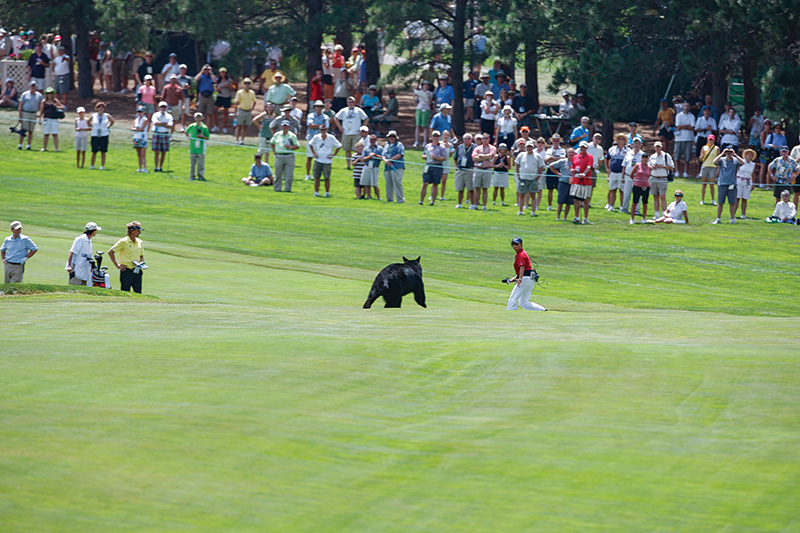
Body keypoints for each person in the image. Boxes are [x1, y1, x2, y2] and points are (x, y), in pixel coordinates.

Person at [506, 237, 547, 311]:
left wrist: (520, 279)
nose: (514, 246)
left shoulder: (521, 254)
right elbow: (524, 269)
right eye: (513, 244)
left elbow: (522, 267)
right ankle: (542, 310)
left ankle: (511, 316)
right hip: (530, 279)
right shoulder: (522, 253)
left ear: (521, 245)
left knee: (512, 299)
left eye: (516, 244)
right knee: (523, 302)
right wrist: (515, 278)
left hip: (525, 279)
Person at [108, 221, 145, 293]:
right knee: (125, 291)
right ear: (132, 231)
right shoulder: (123, 241)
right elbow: (111, 252)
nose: (140, 232)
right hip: (126, 271)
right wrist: (118, 265)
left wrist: (141, 263)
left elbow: (141, 256)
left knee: (138, 292)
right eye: (138, 230)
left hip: (137, 271)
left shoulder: (140, 242)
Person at [334, 97, 369, 169]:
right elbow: (336, 118)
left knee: (357, 149)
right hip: (346, 133)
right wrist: (340, 127)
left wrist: (362, 128)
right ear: (347, 103)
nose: (350, 103)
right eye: (349, 102)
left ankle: (357, 164)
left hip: (356, 133)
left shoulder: (359, 110)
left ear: (355, 102)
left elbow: (366, 119)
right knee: (347, 149)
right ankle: (348, 165)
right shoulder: (343, 110)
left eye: (352, 102)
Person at [309, 124, 341, 197]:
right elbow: (310, 144)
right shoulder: (316, 137)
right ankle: (316, 192)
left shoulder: (331, 138)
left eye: (324, 130)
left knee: (327, 177)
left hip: (327, 161)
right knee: (317, 177)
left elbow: (339, 146)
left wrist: (333, 155)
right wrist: (314, 152)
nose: (323, 131)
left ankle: (327, 192)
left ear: (327, 130)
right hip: (318, 160)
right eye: (321, 130)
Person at [515, 140, 545, 217]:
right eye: (528, 147)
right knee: (522, 195)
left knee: (533, 195)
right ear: (526, 147)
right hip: (523, 178)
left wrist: (538, 176)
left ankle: (533, 212)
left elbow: (541, 167)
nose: (529, 148)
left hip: (533, 179)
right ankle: (520, 210)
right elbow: (517, 165)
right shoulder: (521, 155)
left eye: (531, 147)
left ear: (533, 147)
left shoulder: (537, 156)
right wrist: (518, 175)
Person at [270, 120, 300, 192]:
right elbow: (272, 142)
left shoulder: (292, 135)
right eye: (284, 126)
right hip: (279, 156)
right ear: (281, 126)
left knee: (289, 175)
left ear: (289, 127)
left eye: (286, 126)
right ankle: (277, 188)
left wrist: (290, 147)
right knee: (277, 174)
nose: (285, 127)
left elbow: (297, 146)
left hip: (289, 156)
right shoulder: (277, 134)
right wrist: (274, 150)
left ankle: (287, 189)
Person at [420, 131, 447, 206]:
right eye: (434, 136)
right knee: (425, 183)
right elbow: (423, 155)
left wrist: (436, 158)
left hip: (437, 166)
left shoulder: (442, 147)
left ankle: (433, 201)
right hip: (428, 166)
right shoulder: (427, 146)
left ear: (439, 137)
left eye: (437, 136)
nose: (435, 137)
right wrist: (426, 156)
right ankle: (421, 201)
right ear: (431, 137)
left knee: (435, 184)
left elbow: (444, 158)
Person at [305, 100, 330, 180]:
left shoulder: (325, 117)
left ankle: (315, 175)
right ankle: (307, 174)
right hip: (311, 138)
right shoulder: (310, 115)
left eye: (320, 106)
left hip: (321, 140)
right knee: (309, 157)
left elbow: (326, 128)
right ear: (315, 107)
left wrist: (318, 126)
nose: (319, 108)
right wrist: (320, 126)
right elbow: (310, 125)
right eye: (317, 106)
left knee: (319, 158)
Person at [647, 141, 673, 218]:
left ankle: (664, 214)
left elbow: (671, 166)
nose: (658, 148)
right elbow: (649, 167)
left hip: (663, 178)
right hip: (654, 177)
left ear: (661, 147)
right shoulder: (652, 156)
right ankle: (657, 214)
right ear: (654, 148)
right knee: (655, 196)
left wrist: (663, 166)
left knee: (662, 196)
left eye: (659, 146)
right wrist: (652, 167)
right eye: (656, 147)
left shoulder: (666, 156)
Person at [570, 141, 594, 224]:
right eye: (581, 147)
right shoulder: (575, 157)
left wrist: (584, 173)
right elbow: (573, 166)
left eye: (584, 147)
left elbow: (589, 167)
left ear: (586, 148)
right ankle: (576, 217)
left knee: (586, 200)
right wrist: (572, 170)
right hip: (576, 180)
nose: (582, 148)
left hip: (586, 181)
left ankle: (585, 218)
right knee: (576, 200)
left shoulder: (590, 157)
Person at [604, 133, 629, 212]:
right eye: (619, 139)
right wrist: (607, 169)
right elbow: (607, 158)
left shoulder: (628, 150)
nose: (620, 140)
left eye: (622, 139)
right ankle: (611, 206)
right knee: (612, 189)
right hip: (613, 173)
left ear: (625, 141)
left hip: (622, 173)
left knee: (622, 190)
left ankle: (622, 206)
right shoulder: (612, 149)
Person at [472, 132, 497, 211]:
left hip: (487, 169)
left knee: (485, 189)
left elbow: (491, 156)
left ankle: (484, 206)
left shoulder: (492, 148)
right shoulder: (477, 148)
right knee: (477, 188)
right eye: (483, 138)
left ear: (489, 139)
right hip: (478, 169)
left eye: (486, 138)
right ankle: (475, 205)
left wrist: (481, 156)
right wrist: (485, 157)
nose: (484, 140)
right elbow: (474, 158)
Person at [88, 102, 114, 170]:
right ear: (97, 108)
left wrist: (108, 127)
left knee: (103, 151)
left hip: (104, 135)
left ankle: (102, 166)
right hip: (95, 135)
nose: (101, 109)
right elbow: (88, 121)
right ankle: (92, 165)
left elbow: (112, 121)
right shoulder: (93, 115)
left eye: (102, 107)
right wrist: (92, 127)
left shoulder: (107, 115)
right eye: (99, 107)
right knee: (94, 151)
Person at [17, 80, 42, 150]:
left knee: (31, 130)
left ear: (36, 87)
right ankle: (20, 145)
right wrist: (20, 116)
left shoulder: (39, 95)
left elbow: (41, 106)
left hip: (34, 114)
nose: (33, 87)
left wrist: (40, 114)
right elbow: (20, 106)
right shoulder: (25, 94)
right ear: (29, 86)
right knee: (23, 130)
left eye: (34, 86)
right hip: (25, 113)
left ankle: (28, 145)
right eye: (32, 86)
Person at [673, 102, 696, 177]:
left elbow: (692, 127)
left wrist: (683, 126)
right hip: (679, 139)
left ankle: (685, 172)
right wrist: (687, 126)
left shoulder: (692, 116)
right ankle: (677, 171)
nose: (686, 107)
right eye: (685, 106)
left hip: (689, 138)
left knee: (687, 157)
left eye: (687, 106)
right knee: (677, 156)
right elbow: (678, 126)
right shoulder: (678, 115)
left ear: (689, 107)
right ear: (683, 107)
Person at [453, 133, 476, 209]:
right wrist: (457, 166)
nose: (467, 140)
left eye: (468, 138)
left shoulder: (474, 147)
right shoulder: (460, 147)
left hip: (470, 169)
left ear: (471, 139)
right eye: (465, 138)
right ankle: (459, 204)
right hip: (461, 169)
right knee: (460, 188)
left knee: (471, 188)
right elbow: (455, 158)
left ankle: (472, 204)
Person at [38, 87, 63, 152]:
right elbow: (41, 111)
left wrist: (57, 106)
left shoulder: (55, 100)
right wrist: (39, 119)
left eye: (51, 93)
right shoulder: (43, 101)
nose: (50, 95)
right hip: (46, 118)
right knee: (46, 134)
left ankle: (56, 148)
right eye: (48, 93)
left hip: (54, 119)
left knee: (55, 134)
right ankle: (44, 147)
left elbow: (62, 107)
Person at [186, 112, 209, 181]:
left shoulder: (204, 127)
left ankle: (200, 176)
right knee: (192, 163)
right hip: (193, 148)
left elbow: (207, 138)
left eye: (199, 117)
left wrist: (203, 136)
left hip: (201, 148)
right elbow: (186, 131)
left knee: (200, 163)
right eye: (197, 117)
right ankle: (192, 176)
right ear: (194, 118)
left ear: (202, 118)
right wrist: (189, 138)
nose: (198, 119)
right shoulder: (192, 126)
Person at [383, 130, 405, 203]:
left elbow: (399, 154)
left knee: (397, 183)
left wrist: (390, 160)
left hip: (397, 167)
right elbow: (383, 155)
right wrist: (386, 161)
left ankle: (400, 199)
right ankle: (389, 199)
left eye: (393, 136)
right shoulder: (386, 145)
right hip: (387, 167)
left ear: (396, 137)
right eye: (390, 136)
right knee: (388, 184)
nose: (391, 138)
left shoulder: (399, 145)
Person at [233, 77, 256, 145]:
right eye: (245, 83)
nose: (247, 85)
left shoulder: (252, 92)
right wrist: (235, 112)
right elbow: (236, 103)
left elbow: (254, 101)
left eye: (248, 83)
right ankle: (237, 140)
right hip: (241, 110)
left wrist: (252, 107)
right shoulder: (239, 92)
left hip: (248, 111)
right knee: (239, 126)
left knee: (245, 126)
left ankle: (242, 140)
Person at [629, 152, 651, 224]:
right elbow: (631, 174)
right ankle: (632, 218)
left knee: (645, 203)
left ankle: (644, 218)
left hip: (646, 186)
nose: (644, 158)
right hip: (637, 186)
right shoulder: (637, 165)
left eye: (646, 157)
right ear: (641, 158)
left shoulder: (649, 167)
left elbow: (649, 176)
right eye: (643, 157)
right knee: (635, 202)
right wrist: (635, 180)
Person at [151, 101, 173, 172]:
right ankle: (156, 167)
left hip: (165, 134)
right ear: (159, 108)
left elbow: (170, 126)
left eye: (164, 107)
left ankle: (160, 167)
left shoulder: (169, 116)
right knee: (156, 152)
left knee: (163, 152)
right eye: (161, 107)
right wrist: (164, 123)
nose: (163, 108)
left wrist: (161, 124)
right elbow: (155, 123)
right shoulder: (155, 114)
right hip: (157, 133)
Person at [554, 147, 575, 221]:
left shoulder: (576, 162)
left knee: (569, 202)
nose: (571, 154)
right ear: (567, 154)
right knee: (560, 201)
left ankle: (565, 217)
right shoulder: (562, 161)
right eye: (569, 153)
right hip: (563, 183)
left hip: (572, 184)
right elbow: (551, 166)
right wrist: (557, 173)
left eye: (572, 153)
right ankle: (558, 217)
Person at [698, 134, 719, 205]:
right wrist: (702, 156)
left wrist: (718, 168)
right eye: (709, 139)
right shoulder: (704, 147)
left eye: (712, 139)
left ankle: (713, 200)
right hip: (705, 166)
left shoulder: (716, 148)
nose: (710, 141)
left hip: (713, 167)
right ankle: (702, 199)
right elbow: (700, 158)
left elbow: (718, 159)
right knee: (704, 184)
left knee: (711, 184)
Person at [360, 133, 382, 200]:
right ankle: (369, 196)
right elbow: (363, 159)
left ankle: (378, 197)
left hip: (375, 167)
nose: (372, 141)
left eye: (374, 139)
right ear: (369, 140)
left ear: (376, 140)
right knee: (366, 183)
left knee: (374, 184)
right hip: (367, 166)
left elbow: (382, 158)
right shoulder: (366, 149)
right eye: (371, 139)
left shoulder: (379, 148)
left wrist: (375, 155)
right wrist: (369, 156)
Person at [736, 149, 757, 219]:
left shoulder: (753, 164)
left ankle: (743, 214)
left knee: (745, 198)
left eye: (751, 155)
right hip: (739, 180)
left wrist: (753, 183)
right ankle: (734, 213)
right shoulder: (740, 162)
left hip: (747, 181)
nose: (749, 156)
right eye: (748, 154)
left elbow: (752, 174)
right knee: (737, 198)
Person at [212, 67, 234, 133]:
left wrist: (227, 86)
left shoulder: (229, 80)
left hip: (226, 97)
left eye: (224, 72)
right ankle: (216, 126)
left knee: (225, 112)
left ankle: (225, 127)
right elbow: (215, 87)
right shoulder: (218, 80)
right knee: (215, 110)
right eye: (221, 72)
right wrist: (217, 89)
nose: (222, 74)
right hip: (220, 96)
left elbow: (232, 88)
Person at [195, 64, 216, 129]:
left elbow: (215, 81)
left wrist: (211, 72)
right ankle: (199, 126)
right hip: (202, 95)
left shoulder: (211, 76)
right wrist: (202, 71)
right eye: (205, 69)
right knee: (200, 112)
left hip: (210, 96)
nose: (207, 71)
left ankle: (207, 127)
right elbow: (196, 79)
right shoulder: (201, 76)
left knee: (209, 113)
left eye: (208, 69)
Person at [413, 81, 434, 147]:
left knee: (424, 126)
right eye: (424, 85)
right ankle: (416, 141)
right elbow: (415, 103)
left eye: (427, 85)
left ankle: (424, 141)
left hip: (426, 109)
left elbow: (429, 103)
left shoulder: (430, 93)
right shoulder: (420, 92)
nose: (425, 87)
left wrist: (427, 97)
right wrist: (414, 96)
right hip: (419, 108)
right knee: (418, 126)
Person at [131, 105, 149, 172]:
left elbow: (142, 128)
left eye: (141, 112)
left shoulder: (145, 119)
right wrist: (137, 129)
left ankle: (144, 168)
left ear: (144, 112)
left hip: (143, 138)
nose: (140, 113)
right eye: (138, 112)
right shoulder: (136, 120)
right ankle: (140, 168)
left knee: (143, 154)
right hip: (136, 138)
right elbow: (132, 128)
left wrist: (137, 129)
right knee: (138, 154)